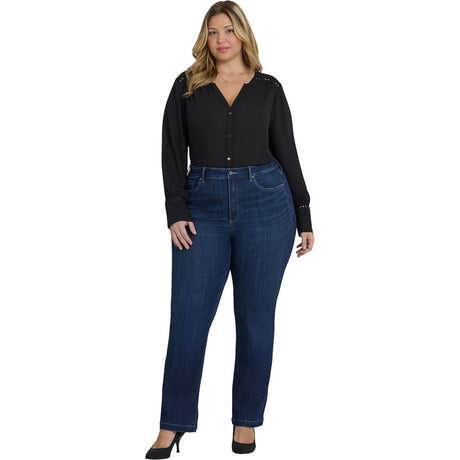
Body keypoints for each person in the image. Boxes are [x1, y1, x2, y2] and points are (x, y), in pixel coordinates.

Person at [145, 1, 314, 458]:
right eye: (213, 31)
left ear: (243, 35)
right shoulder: (187, 85)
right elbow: (171, 151)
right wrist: (175, 210)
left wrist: (303, 213)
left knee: (256, 321)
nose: (221, 39)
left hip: (267, 204)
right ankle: (173, 424)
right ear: (205, 37)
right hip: (202, 207)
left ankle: (246, 422)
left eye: (229, 30)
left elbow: (287, 149)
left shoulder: (269, 88)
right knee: (188, 321)